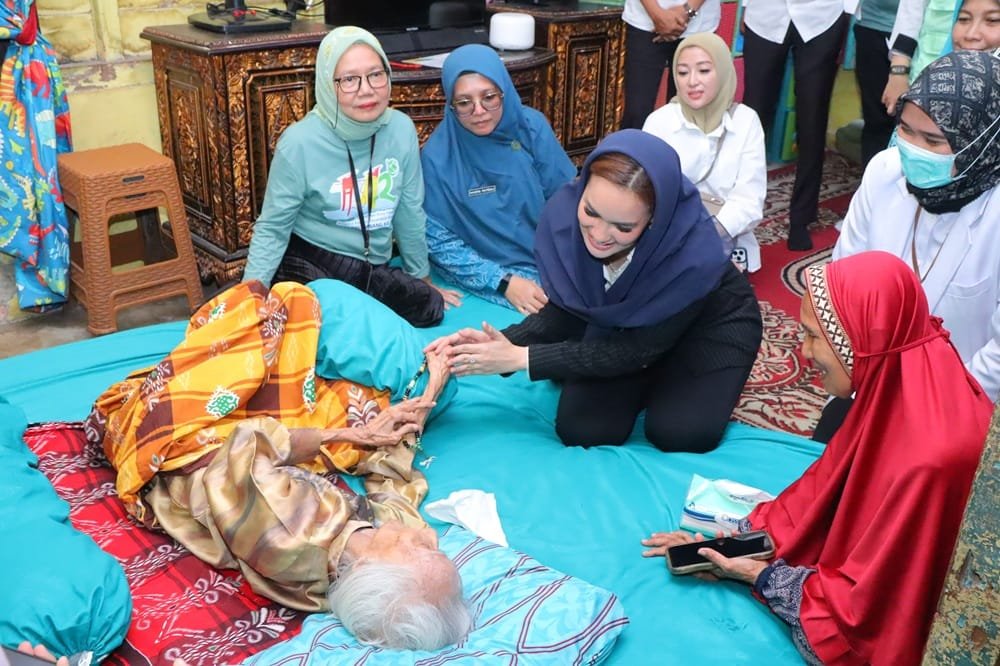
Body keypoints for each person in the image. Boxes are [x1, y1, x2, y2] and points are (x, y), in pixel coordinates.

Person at [642, 251, 993, 666]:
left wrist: (761, 576)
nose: (803, 352)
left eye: (813, 336)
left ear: (857, 341)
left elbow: (866, 619)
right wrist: (731, 547)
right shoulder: (909, 377)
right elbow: (819, 502)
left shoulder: (928, 458)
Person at [83, 280, 471, 650]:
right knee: (381, 403)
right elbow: (396, 486)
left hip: (194, 451)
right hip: (254, 463)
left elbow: (246, 446)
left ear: (374, 574)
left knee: (275, 309)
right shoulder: (366, 549)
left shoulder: (290, 534)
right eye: (438, 552)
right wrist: (431, 390)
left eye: (423, 554)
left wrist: (351, 437)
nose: (428, 539)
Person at [427, 130, 762, 452]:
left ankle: (672, 382)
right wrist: (497, 343)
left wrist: (521, 358)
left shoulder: (691, 260)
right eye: (590, 212)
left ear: (655, 220)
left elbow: (634, 350)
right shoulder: (566, 223)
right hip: (630, 330)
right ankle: (650, 379)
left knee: (679, 433)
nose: (599, 235)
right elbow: (565, 312)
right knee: (583, 429)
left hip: (706, 331)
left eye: (623, 226)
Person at [241, 26, 460, 328]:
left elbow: (409, 212)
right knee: (323, 322)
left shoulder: (400, 129)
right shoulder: (299, 143)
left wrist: (421, 278)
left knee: (429, 307)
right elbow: (273, 228)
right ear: (327, 84)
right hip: (315, 262)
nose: (366, 89)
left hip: (372, 268)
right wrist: (252, 296)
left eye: (375, 74)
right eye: (349, 80)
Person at [830, 49, 1000, 421]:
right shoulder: (885, 171)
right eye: (905, 130)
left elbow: (997, 354)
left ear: (981, 144)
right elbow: (845, 276)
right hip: (871, 378)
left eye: (935, 141)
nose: (913, 150)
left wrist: (928, 409)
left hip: (961, 400)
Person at [421, 44, 576, 314]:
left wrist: (562, 266)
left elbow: (568, 203)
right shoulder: (438, 156)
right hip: (485, 272)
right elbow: (438, 242)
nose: (479, 111)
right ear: (451, 105)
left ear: (504, 91)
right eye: (464, 102)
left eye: (489, 97)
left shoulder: (531, 128)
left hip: (551, 261)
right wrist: (503, 282)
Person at [642, 32, 767, 273]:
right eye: (682, 72)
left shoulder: (746, 121)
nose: (692, 82)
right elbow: (646, 193)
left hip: (726, 239)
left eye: (704, 70)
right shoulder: (660, 121)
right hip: (668, 240)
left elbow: (749, 201)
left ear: (722, 71)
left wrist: (705, 238)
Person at [741, 0, 850, 251]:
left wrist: (848, 9)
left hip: (823, 14)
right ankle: (739, 204)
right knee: (752, 116)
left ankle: (801, 218)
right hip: (765, 13)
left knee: (812, 118)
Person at [620, 0, 721, 130]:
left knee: (688, 113)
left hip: (699, 25)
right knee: (637, 111)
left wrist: (687, 11)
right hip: (644, 20)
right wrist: (656, 14)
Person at [853, 0, 930, 166]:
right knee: (877, 119)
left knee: (918, 124)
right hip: (874, 26)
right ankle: (873, 183)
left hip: (925, 39)